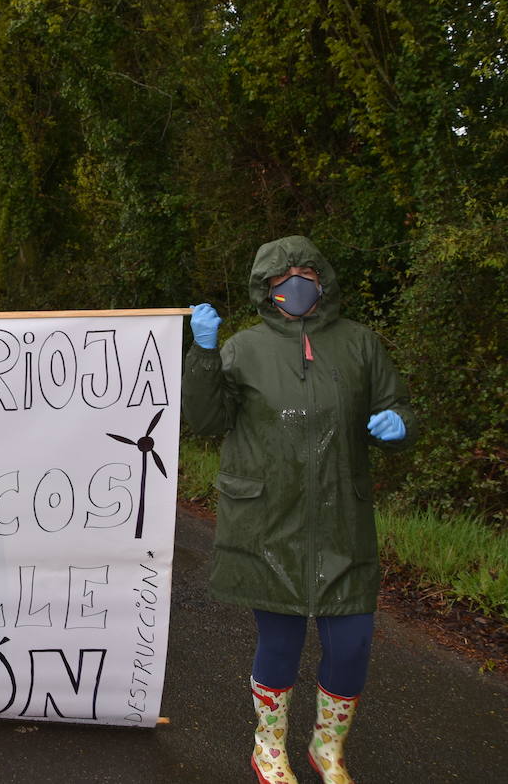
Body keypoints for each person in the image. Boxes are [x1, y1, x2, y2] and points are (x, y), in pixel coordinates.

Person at [182, 235, 415, 784]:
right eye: (282, 278)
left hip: (342, 521)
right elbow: (208, 420)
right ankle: (269, 748)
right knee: (281, 640)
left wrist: (400, 424)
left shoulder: (360, 344)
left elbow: (395, 403)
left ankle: (326, 748)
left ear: (323, 279)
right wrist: (204, 354)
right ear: (266, 290)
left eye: (306, 271)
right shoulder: (243, 348)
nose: (296, 283)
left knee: (352, 641)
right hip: (268, 520)